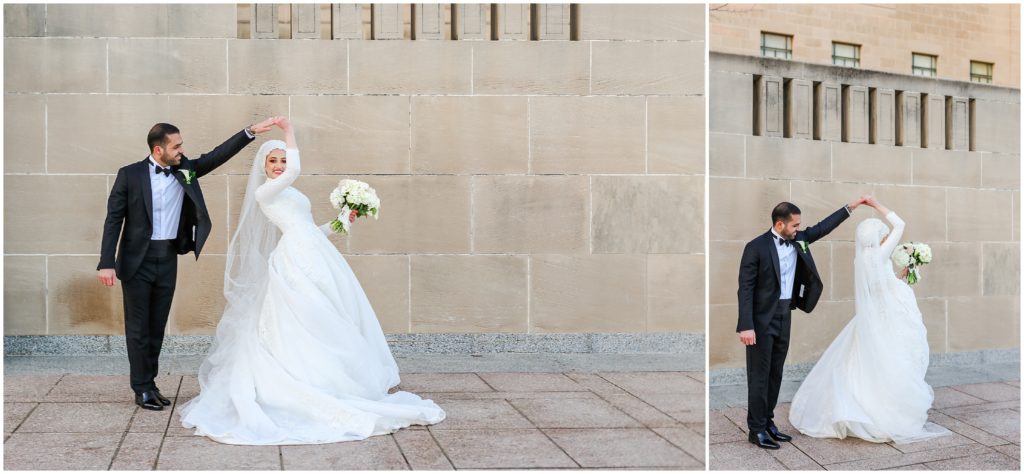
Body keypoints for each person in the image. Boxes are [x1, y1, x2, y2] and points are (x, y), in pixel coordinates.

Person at [178, 118, 445, 445]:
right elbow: (294, 180)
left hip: (316, 253)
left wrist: (344, 218)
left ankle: (333, 379)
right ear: (264, 167)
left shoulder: (292, 194)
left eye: (283, 160)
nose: (280, 166)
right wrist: (288, 132)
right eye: (273, 161)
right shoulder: (266, 192)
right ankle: (306, 380)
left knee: (328, 316)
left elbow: (310, 229)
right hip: (294, 260)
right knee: (309, 314)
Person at [97, 118, 279, 411]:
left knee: (156, 326)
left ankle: (151, 383)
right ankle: (141, 387)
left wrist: (248, 133)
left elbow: (216, 156)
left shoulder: (185, 170)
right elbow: (113, 219)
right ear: (159, 150)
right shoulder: (129, 175)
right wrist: (106, 262)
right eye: (176, 145)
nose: (182, 150)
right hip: (136, 261)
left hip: (167, 257)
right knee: (138, 327)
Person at [788, 196, 950, 443]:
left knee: (866, 360)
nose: (886, 238)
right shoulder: (881, 253)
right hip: (891, 312)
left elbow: (878, 286)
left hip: (873, 314)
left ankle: (860, 408)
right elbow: (901, 225)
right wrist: (875, 204)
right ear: (877, 238)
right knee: (895, 358)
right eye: (883, 235)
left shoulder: (861, 259)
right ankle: (885, 412)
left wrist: (901, 274)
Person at [736, 197, 867, 449]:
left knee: (776, 373)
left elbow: (822, 227)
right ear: (780, 224)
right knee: (759, 376)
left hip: (785, 315)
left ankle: (768, 422)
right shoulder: (756, 247)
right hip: (761, 321)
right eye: (795, 225)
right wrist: (746, 325)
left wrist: (851, 207)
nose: (799, 229)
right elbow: (745, 289)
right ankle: (756, 429)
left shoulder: (798, 240)